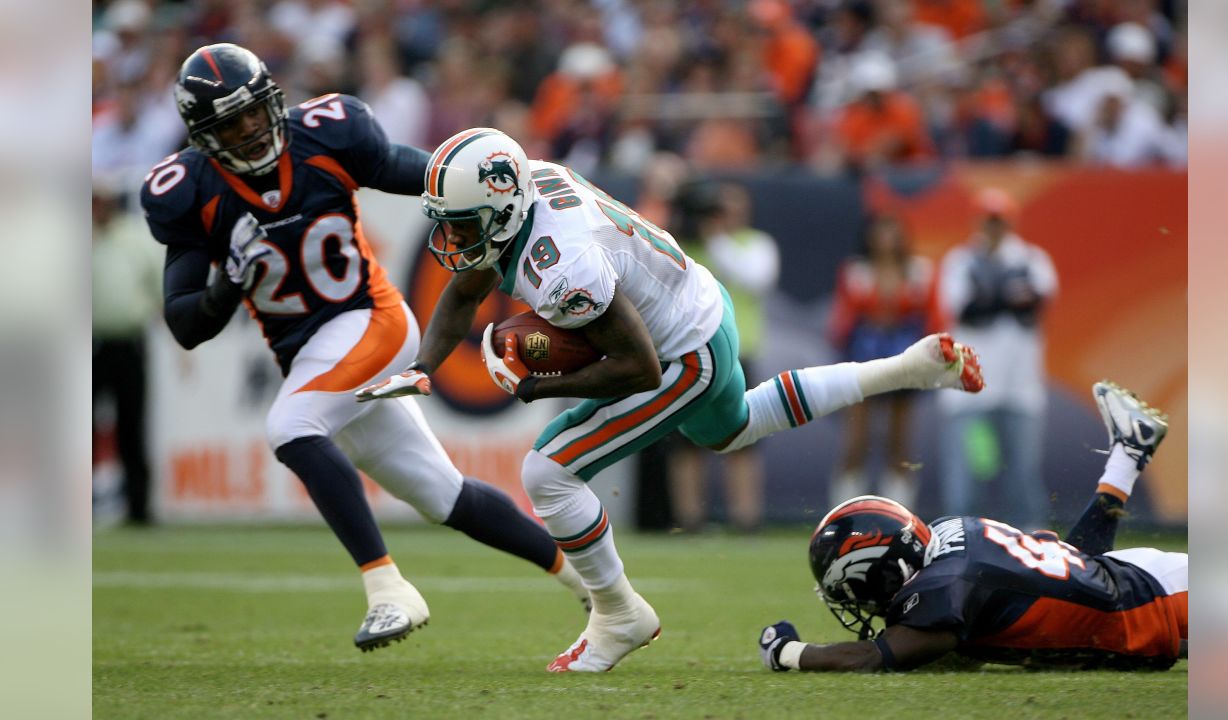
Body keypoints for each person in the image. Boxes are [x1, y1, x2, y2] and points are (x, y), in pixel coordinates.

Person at [355, 127, 985, 672]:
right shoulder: (527, 191)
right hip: (701, 306)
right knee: (733, 429)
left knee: (547, 470)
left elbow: (638, 366)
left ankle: (619, 614)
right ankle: (905, 368)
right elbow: (467, 290)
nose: (453, 237)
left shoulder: (561, 264)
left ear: (499, 206)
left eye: (462, 222)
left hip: (682, 351)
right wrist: (422, 366)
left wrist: (538, 385)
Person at [141, 43, 588, 653]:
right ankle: (593, 585)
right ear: (201, 135)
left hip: (372, 319)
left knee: (292, 425)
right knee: (445, 495)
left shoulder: (326, 137)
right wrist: (226, 285)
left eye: (252, 112)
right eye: (228, 124)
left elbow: (433, 179)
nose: (247, 131)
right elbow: (186, 322)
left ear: (273, 100)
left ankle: (387, 589)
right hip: (311, 354)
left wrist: (510, 189)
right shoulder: (188, 190)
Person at [758, 380, 1186, 672]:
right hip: (1133, 581)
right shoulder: (948, 537)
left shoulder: (946, 586)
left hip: (1160, 600)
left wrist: (789, 653)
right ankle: (1127, 455)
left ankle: (1128, 455)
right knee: (1087, 577)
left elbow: (874, 657)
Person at [937, 188, 1057, 529]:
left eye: (999, 222)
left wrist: (992, 296)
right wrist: (1005, 296)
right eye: (988, 222)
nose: (993, 229)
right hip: (971, 390)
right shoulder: (960, 261)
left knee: (1022, 474)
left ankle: (1030, 548)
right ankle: (961, 539)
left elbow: (1036, 302)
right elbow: (965, 308)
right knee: (969, 476)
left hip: (1020, 389)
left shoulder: (1032, 259)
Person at [667, 181, 778, 534]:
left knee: (744, 433)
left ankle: (745, 518)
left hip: (737, 350)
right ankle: (689, 520)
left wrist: (716, 238)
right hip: (686, 350)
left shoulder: (755, 244)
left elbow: (756, 279)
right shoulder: (682, 244)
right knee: (683, 440)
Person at [828, 214, 943, 508]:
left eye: (892, 231)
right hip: (863, 363)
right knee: (856, 442)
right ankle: (846, 512)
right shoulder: (856, 271)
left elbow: (933, 318)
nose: (886, 239)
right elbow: (842, 322)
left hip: (904, 364)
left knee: (899, 443)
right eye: (880, 231)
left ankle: (898, 514)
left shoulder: (920, 272)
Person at [93, 175, 164, 525]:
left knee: (132, 426)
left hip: (128, 342)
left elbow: (157, 288)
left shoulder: (133, 239)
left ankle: (138, 506)